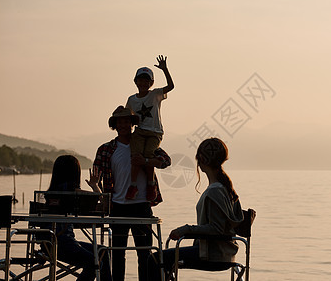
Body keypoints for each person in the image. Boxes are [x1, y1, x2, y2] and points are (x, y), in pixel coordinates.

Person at [92, 106, 171, 281]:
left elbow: (166, 161)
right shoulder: (106, 149)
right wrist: (95, 188)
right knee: (117, 254)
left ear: (132, 124)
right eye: (120, 121)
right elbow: (96, 175)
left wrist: (147, 160)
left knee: (145, 254)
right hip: (117, 207)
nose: (123, 125)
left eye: (127, 121)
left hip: (142, 205)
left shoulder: (144, 145)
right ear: (115, 124)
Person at [148, 138, 244, 279]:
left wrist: (185, 230)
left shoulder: (215, 191)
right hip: (226, 254)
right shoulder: (227, 189)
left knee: (155, 259)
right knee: (165, 258)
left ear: (201, 160)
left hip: (212, 254)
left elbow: (216, 229)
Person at [45, 155, 112, 281]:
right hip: (63, 245)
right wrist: (94, 185)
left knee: (102, 251)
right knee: (94, 262)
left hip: (50, 243)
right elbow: (102, 203)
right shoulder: (70, 192)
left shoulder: (51, 193)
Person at [125, 54, 174, 201]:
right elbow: (129, 116)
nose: (143, 83)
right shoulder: (132, 99)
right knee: (136, 157)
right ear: (136, 82)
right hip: (139, 131)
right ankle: (133, 185)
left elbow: (171, 86)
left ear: (151, 83)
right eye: (140, 80)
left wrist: (165, 70)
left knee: (148, 156)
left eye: (146, 81)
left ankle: (151, 184)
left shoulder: (155, 94)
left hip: (155, 132)